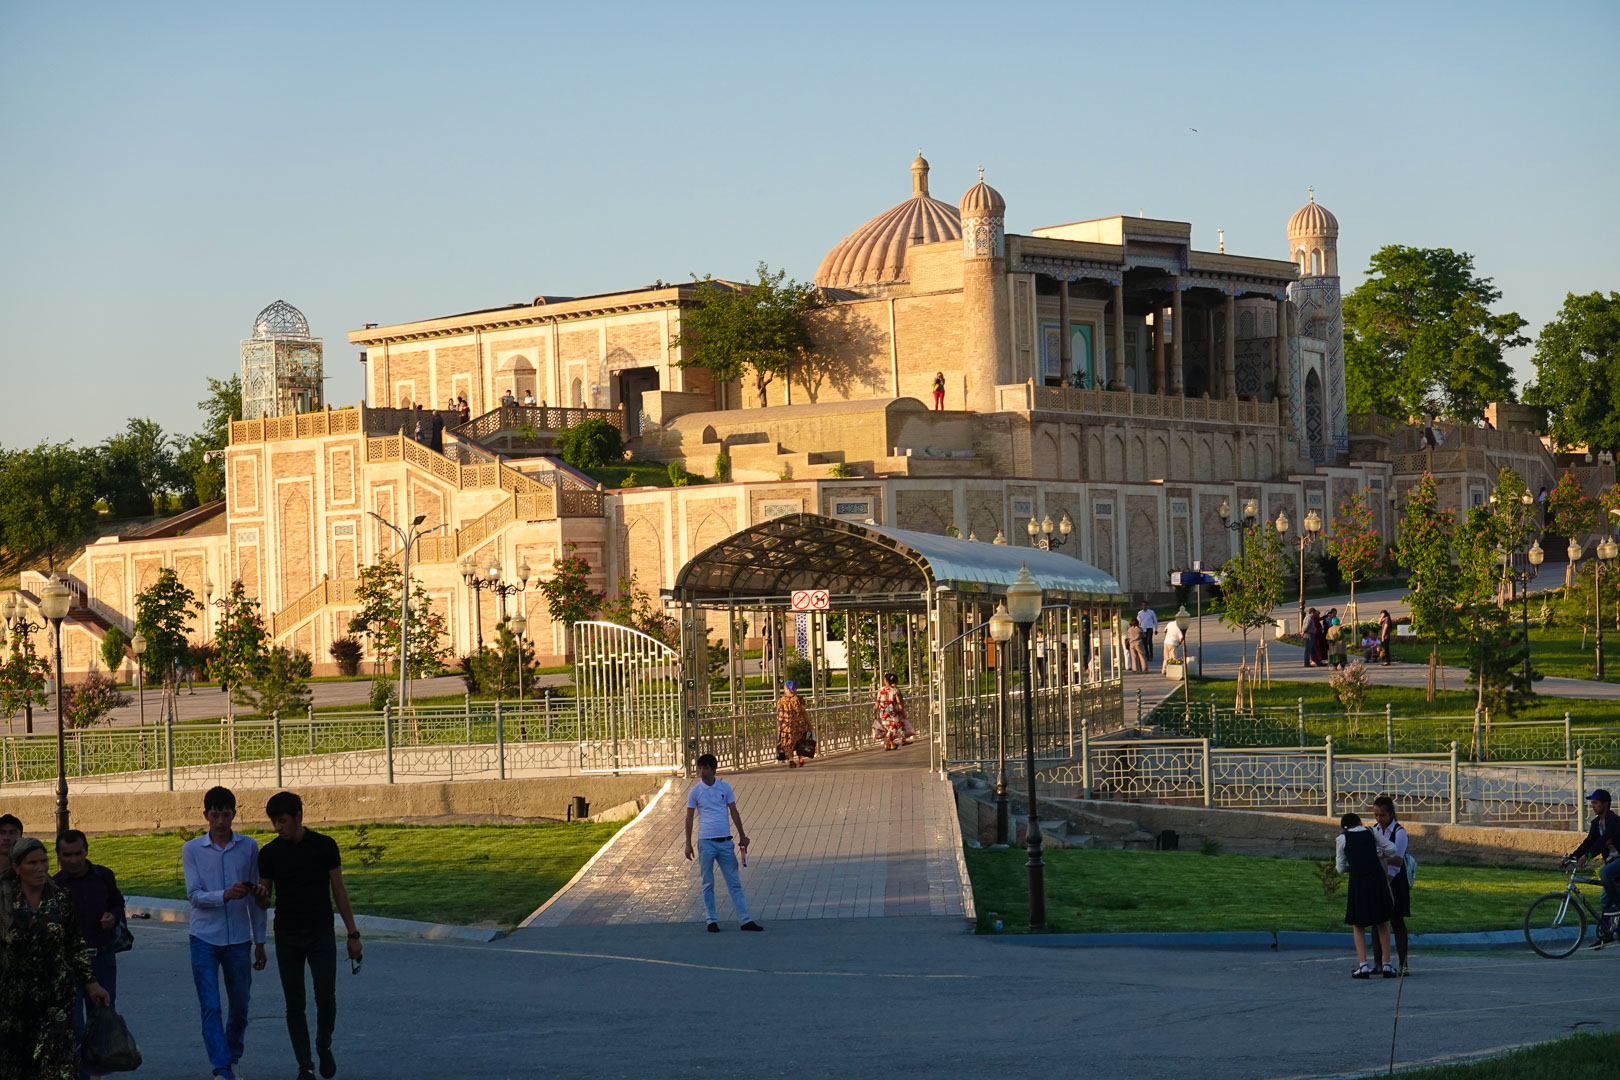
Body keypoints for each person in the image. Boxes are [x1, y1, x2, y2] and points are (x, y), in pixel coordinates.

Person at [256, 791, 362, 1080]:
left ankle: (323, 1043)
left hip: (320, 933)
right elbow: (264, 899)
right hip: (287, 935)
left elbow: (339, 890)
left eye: (282, 821)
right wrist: (260, 895)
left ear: (299, 817)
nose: (278, 827)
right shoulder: (269, 853)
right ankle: (305, 1065)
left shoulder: (324, 846)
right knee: (294, 1003)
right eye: (274, 822)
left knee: (326, 998)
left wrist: (352, 934)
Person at [0, 837, 112, 1079]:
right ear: (17, 867)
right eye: (32, 863)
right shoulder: (4, 899)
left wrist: (91, 983)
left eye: (44, 861)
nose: (40, 868)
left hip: (56, 995)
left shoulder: (60, 898)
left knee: (58, 1066)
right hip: (14, 998)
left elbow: (74, 944)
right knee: (17, 1066)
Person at [184, 786, 268, 1080]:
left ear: (234, 814)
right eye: (215, 815)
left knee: (241, 1006)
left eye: (226, 815)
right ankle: (221, 1068)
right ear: (206, 815)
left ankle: (232, 1057)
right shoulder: (193, 849)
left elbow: (256, 898)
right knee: (211, 1005)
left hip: (239, 939)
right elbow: (194, 895)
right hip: (204, 937)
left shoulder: (248, 847)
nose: (220, 821)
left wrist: (260, 941)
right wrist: (224, 895)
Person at [52, 830, 126, 1065]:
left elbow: (117, 902)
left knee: (101, 1019)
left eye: (78, 854)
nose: (73, 860)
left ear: (86, 851)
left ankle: (95, 1070)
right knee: (73, 1024)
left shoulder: (103, 876)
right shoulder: (54, 885)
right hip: (69, 963)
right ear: (59, 855)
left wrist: (113, 916)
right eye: (67, 855)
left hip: (102, 958)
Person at [683, 754, 762, 933]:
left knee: (734, 882)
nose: (702, 772)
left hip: (726, 841)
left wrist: (742, 836)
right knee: (707, 882)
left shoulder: (724, 788)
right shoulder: (695, 791)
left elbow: (734, 812)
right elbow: (689, 817)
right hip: (706, 842)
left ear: (713, 770)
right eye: (700, 768)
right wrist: (688, 844)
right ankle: (711, 920)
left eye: (705, 768)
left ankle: (745, 920)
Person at [1336, 812, 1398, 979]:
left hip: (1358, 882)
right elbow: (1392, 848)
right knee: (1382, 921)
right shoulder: (1371, 831)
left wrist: (1351, 867)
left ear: (1344, 827)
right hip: (1376, 880)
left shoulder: (1342, 839)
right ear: (1359, 822)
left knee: (1358, 924)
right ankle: (1387, 964)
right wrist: (1380, 855)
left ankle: (1363, 965)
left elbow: (1340, 867)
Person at [1567, 787, 1620, 949]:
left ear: (1606, 804)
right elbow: (1589, 842)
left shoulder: (1614, 821)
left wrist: (1588, 856)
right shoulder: (1596, 823)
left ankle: (1618, 904)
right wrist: (1572, 857)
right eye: (1592, 803)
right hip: (1612, 862)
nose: (1593, 806)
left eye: (1596, 803)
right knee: (1604, 899)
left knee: (1604, 873)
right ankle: (1607, 933)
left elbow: (1602, 842)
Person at [1369, 796, 1412, 974]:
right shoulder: (1374, 830)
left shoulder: (1399, 832)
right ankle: (1378, 962)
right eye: (1376, 815)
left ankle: (1403, 964)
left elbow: (1398, 860)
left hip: (1396, 880)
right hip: (1379, 879)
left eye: (1382, 815)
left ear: (1391, 814)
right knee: (1377, 921)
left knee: (1397, 921)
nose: (1379, 819)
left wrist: (1380, 858)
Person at [776, 681, 810, 768]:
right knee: (799, 742)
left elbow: (781, 714)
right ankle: (801, 759)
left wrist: (779, 726)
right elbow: (804, 712)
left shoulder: (782, 700)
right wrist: (809, 724)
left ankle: (791, 761)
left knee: (787, 743)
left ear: (787, 689)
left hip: (787, 726)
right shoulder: (799, 699)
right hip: (799, 725)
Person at [875, 673, 912, 749]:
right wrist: (902, 711)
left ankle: (890, 744)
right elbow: (899, 702)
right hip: (893, 712)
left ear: (886, 680)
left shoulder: (881, 690)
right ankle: (891, 744)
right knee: (893, 728)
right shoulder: (895, 690)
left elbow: (877, 701)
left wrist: (875, 711)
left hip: (883, 712)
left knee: (887, 728)